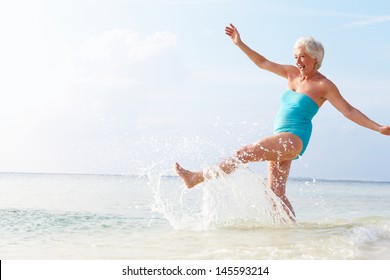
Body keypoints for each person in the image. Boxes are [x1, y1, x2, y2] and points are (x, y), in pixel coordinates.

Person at [175, 23, 390, 219]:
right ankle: (291, 234)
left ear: (315, 58)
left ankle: (197, 178)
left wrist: (378, 128)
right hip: (280, 137)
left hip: (294, 139)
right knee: (276, 194)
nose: (297, 61)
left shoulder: (324, 85)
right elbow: (262, 62)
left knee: (243, 153)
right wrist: (240, 43)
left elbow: (349, 110)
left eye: (302, 57)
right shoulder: (291, 73)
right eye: (296, 56)